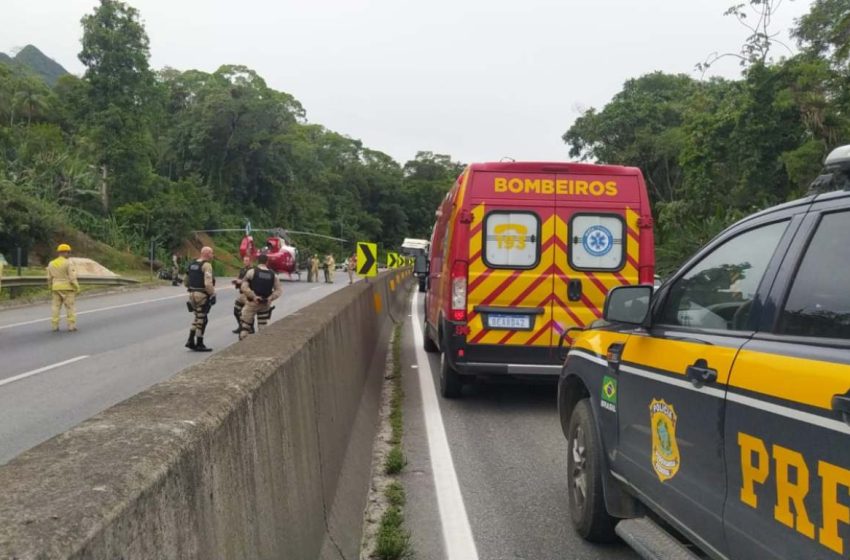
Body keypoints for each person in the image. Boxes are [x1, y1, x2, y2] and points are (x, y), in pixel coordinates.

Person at [239, 253, 283, 340]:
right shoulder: (273, 275)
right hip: (265, 304)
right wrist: (270, 298)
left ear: (258, 261)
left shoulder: (251, 272)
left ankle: (243, 348)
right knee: (263, 327)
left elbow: (243, 287)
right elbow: (279, 290)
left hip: (252, 303)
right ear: (267, 262)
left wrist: (254, 296)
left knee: (245, 327)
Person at [183, 246, 216, 352]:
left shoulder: (192, 264)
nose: (212, 255)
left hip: (192, 293)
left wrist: (191, 288)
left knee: (197, 318)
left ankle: (190, 340)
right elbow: (208, 283)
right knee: (202, 319)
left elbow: (186, 281)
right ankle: (199, 343)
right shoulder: (207, 266)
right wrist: (212, 294)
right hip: (201, 294)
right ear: (206, 253)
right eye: (211, 253)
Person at [47, 243, 80, 332]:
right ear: (65, 252)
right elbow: (72, 277)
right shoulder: (68, 263)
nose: (69, 254)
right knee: (70, 307)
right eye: (68, 252)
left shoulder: (51, 263)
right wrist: (77, 287)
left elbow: (49, 278)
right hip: (67, 288)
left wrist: (50, 286)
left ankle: (55, 326)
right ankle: (71, 326)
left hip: (56, 287)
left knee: (56, 307)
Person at [232, 255, 253, 334]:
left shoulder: (252, 270)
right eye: (244, 260)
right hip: (241, 293)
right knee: (236, 311)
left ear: (250, 261)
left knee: (248, 312)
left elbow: (251, 281)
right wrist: (236, 282)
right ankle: (240, 326)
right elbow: (239, 278)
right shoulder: (242, 269)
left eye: (247, 260)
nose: (245, 262)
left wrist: (241, 282)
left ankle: (251, 328)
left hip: (248, 293)